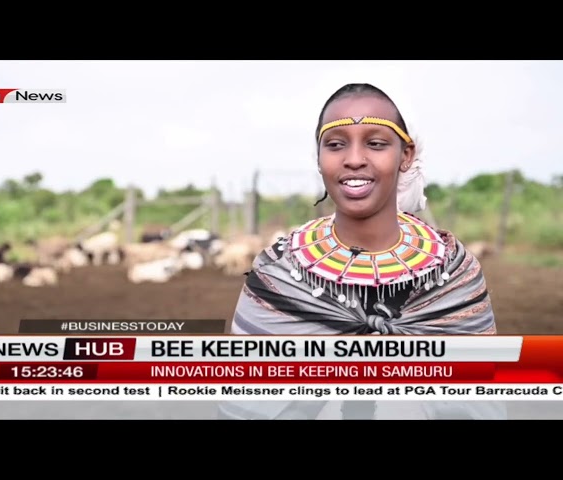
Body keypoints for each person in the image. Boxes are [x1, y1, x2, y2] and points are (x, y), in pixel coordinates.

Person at [217, 83, 507, 420]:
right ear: (319, 157)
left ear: (406, 156)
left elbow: (478, 401)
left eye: (376, 143)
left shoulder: (454, 274)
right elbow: (245, 404)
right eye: (336, 145)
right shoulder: (277, 274)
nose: (354, 159)